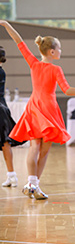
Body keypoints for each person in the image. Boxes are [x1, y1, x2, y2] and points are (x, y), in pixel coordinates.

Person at [0, 20, 75, 200]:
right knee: (44, 148)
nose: (60, 52)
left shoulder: (34, 64)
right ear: (52, 51)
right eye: (59, 49)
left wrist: (6, 25)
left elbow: (19, 41)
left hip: (35, 106)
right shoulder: (56, 69)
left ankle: (32, 183)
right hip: (48, 108)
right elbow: (67, 90)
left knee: (35, 146)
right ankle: (33, 184)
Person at [0, 45, 24, 187]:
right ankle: (12, 175)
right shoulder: (2, 71)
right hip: (3, 108)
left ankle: (12, 176)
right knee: (5, 143)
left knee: (5, 142)